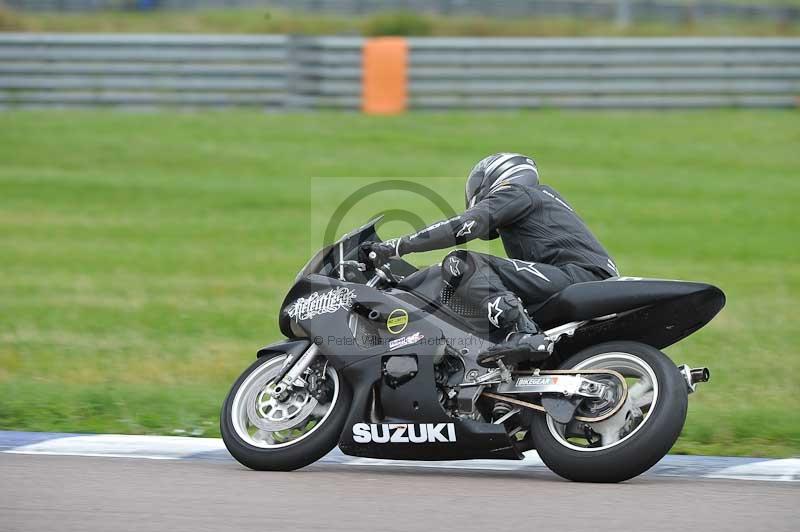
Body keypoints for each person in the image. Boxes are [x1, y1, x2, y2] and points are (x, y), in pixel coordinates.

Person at [360, 153, 619, 366]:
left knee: (462, 263)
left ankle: (524, 333)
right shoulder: (538, 201)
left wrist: (397, 246)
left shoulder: (518, 192)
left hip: (578, 275)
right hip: (581, 276)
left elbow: (465, 225)